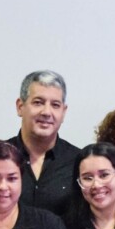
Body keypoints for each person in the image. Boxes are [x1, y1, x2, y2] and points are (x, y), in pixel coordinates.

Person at [9, 69, 79, 216]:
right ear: (20, 106)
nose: (47, 112)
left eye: (55, 105)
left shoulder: (78, 162)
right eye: (38, 103)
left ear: (63, 112)